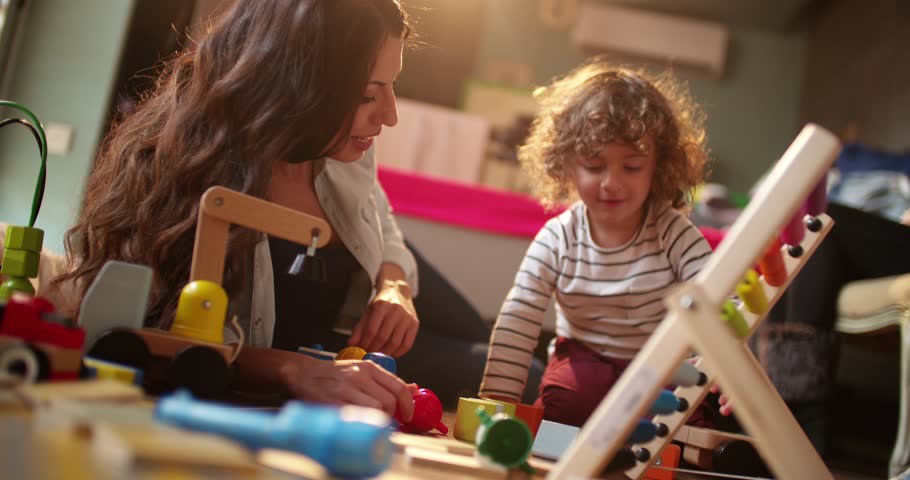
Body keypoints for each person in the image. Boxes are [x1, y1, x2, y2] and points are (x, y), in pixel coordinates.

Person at [0, 0, 426, 420]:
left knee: (472, 348)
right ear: (298, 84)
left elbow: (379, 215)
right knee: (465, 362)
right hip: (316, 365)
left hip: (373, 287)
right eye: (368, 95)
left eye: (393, 86)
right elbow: (166, 340)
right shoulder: (189, 177)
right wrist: (296, 370)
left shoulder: (342, 147)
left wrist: (396, 286)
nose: (389, 116)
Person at [478, 59, 715, 427]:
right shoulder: (558, 237)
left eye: (632, 167)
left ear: (658, 166)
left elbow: (721, 296)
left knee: (681, 414)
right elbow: (520, 315)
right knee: (566, 406)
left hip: (659, 364)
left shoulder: (674, 233)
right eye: (594, 165)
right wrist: (497, 402)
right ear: (567, 165)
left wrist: (719, 358)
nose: (612, 183)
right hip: (584, 362)